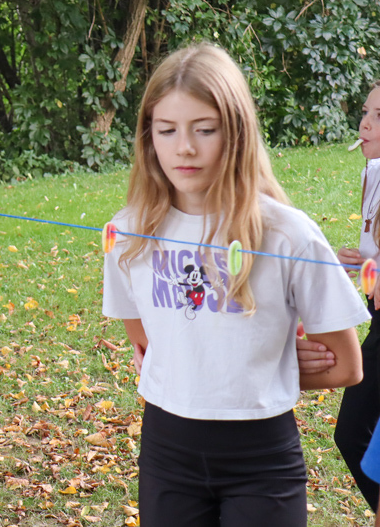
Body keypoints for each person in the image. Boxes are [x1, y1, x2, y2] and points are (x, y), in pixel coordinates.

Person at [102, 42, 368, 526]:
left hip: (261, 461)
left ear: (237, 133)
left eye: (205, 129)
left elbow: (347, 366)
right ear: (148, 136)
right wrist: (213, 357)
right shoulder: (129, 234)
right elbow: (149, 346)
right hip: (166, 454)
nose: (185, 147)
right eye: (167, 129)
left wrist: (265, 361)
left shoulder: (288, 235)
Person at [334, 80, 380, 509]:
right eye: (366, 112)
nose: (365, 123)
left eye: (379, 116)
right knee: (352, 434)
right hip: (376, 317)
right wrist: (359, 260)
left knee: (351, 432)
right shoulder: (373, 172)